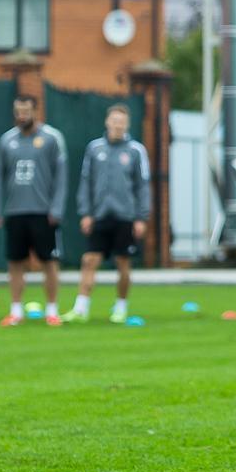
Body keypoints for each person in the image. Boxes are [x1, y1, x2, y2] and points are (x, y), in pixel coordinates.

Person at [61, 105, 150, 324]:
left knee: (123, 262)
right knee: (89, 260)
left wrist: (141, 217)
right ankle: (81, 308)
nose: (118, 126)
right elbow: (86, 181)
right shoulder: (94, 148)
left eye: (122, 122)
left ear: (127, 125)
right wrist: (86, 213)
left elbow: (143, 186)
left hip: (126, 217)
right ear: (107, 122)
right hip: (100, 215)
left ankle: (120, 308)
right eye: (114, 121)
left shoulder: (136, 150)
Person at [0, 95, 67, 327]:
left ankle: (52, 310)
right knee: (15, 262)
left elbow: (61, 177)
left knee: (49, 261)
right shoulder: (6, 140)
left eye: (25, 111)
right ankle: (15, 311)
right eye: (18, 112)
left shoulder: (52, 138)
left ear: (35, 111)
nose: (21, 116)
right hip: (15, 212)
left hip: (43, 213)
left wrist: (56, 208)